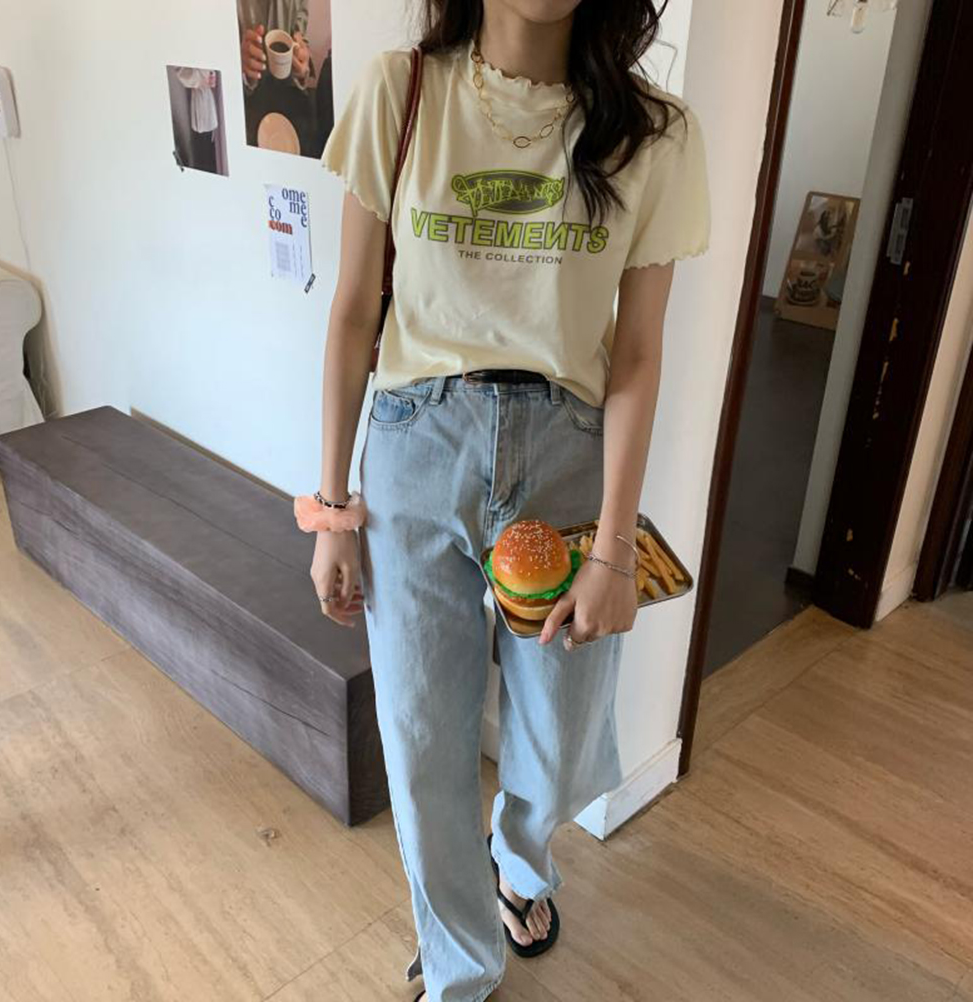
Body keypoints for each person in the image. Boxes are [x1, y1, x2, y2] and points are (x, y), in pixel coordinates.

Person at [296, 1, 710, 999]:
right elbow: (352, 313)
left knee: (562, 740)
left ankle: (519, 861)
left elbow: (638, 355)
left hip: (567, 452)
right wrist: (332, 510)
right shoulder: (401, 93)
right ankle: (461, 967)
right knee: (424, 740)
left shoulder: (653, 133)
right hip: (415, 444)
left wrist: (616, 549)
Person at [237, 0, 313, 93]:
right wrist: (237, 63)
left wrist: (302, 65)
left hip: (288, 90)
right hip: (241, 93)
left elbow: (301, 38)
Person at [174, 67, 219, 174]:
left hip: (208, 106)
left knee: (210, 152)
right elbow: (182, 74)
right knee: (199, 153)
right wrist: (202, 79)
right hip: (198, 107)